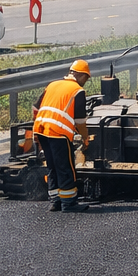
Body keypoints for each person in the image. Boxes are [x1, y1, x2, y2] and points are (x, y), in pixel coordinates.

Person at [34, 59, 91, 212]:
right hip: (58, 133)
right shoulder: (77, 90)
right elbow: (80, 121)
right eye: (86, 78)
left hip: (41, 129)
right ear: (81, 75)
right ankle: (69, 203)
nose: (85, 82)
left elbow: (35, 107)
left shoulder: (53, 84)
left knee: (52, 166)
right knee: (66, 167)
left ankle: (55, 201)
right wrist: (85, 138)